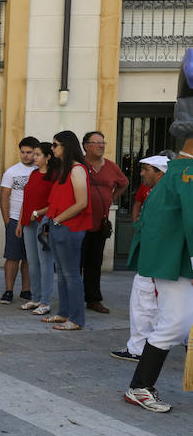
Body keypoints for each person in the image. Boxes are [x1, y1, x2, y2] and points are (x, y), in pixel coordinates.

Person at [122, 74, 193, 412]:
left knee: (177, 324)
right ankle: (140, 386)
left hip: (175, 262)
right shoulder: (186, 173)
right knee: (174, 325)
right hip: (177, 264)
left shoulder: (179, 171)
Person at [110, 154, 168, 362]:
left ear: (159, 173)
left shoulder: (164, 194)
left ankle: (139, 348)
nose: (142, 173)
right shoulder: (162, 192)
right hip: (154, 259)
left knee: (144, 305)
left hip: (154, 261)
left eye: (146, 169)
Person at [40, 131, 92, 331]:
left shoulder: (77, 169)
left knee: (71, 274)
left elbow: (82, 203)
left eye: (55, 145)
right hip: (60, 226)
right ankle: (64, 313)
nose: (52, 149)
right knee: (61, 273)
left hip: (69, 227)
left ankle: (77, 319)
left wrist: (58, 220)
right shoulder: (65, 168)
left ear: (66, 147)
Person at [81, 131, 129, 314]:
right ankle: (75, 298)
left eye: (103, 143)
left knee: (94, 262)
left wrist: (110, 198)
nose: (101, 146)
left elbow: (123, 183)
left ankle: (93, 299)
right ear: (86, 146)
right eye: (97, 143)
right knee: (76, 263)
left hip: (99, 224)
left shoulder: (111, 167)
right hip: (79, 222)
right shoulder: (78, 165)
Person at [16, 142, 57, 315]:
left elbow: (55, 203)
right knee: (32, 263)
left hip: (44, 223)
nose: (34, 157)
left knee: (45, 263)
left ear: (48, 157)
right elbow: (25, 201)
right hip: (28, 222)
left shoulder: (55, 176)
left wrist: (38, 212)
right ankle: (36, 297)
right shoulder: (33, 174)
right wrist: (20, 222)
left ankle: (45, 302)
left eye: (38, 154)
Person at [0, 137, 37, 304]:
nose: (26, 156)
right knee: (12, 257)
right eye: (23, 152)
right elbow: (4, 196)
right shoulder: (11, 172)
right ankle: (8, 290)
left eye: (29, 152)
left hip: (34, 220)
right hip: (14, 219)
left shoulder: (40, 171)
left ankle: (26, 290)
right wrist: (7, 220)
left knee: (29, 258)